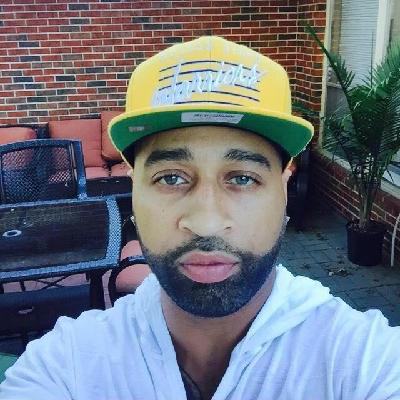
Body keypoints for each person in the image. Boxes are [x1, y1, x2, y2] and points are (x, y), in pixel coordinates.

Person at [1, 36, 399, 400]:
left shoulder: (363, 362)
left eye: (243, 178)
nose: (207, 223)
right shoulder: (67, 366)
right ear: (134, 190)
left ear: (284, 188)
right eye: (171, 178)